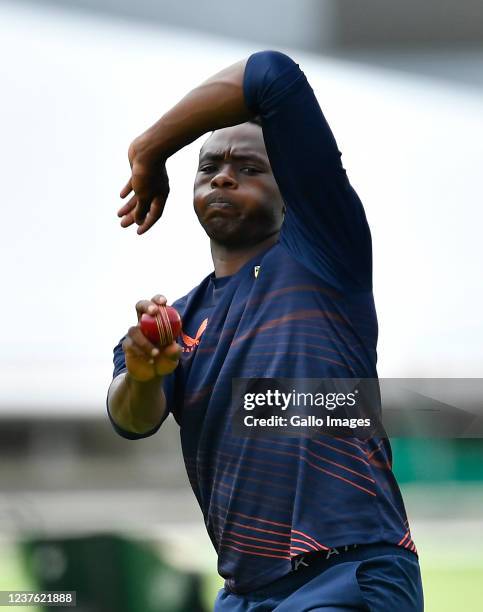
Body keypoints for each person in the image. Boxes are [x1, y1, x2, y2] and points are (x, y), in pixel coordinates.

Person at [107, 50, 424, 611]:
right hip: (246, 594)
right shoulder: (176, 321)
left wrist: (151, 147)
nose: (224, 175)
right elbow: (131, 420)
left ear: (292, 192)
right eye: (209, 167)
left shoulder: (324, 255)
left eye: (250, 168)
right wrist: (141, 373)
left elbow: (271, 74)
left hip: (348, 574)